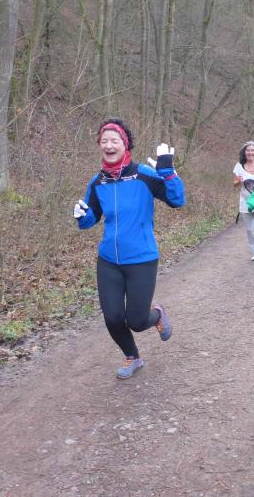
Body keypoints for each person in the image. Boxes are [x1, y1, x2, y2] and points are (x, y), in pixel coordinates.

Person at [73, 118, 185, 379]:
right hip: (108, 261)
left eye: (114, 140)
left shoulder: (144, 174)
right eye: (104, 141)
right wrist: (82, 216)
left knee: (136, 321)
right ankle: (133, 357)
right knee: (112, 318)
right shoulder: (97, 182)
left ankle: (157, 315)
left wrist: (168, 172)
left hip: (141, 259)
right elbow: (91, 219)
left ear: (125, 145)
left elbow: (177, 200)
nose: (108, 145)